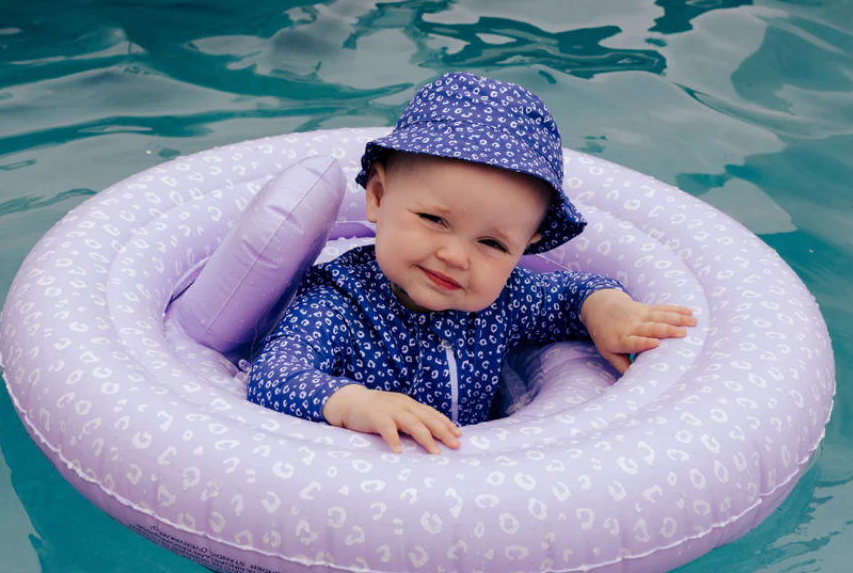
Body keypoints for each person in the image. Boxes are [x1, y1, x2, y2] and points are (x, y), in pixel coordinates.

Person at [247, 72, 695, 453]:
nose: (455, 256)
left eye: (492, 243)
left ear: (526, 246)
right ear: (378, 197)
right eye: (434, 219)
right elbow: (275, 374)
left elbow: (566, 295)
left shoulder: (505, 300)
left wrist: (603, 306)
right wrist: (354, 403)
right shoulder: (338, 302)